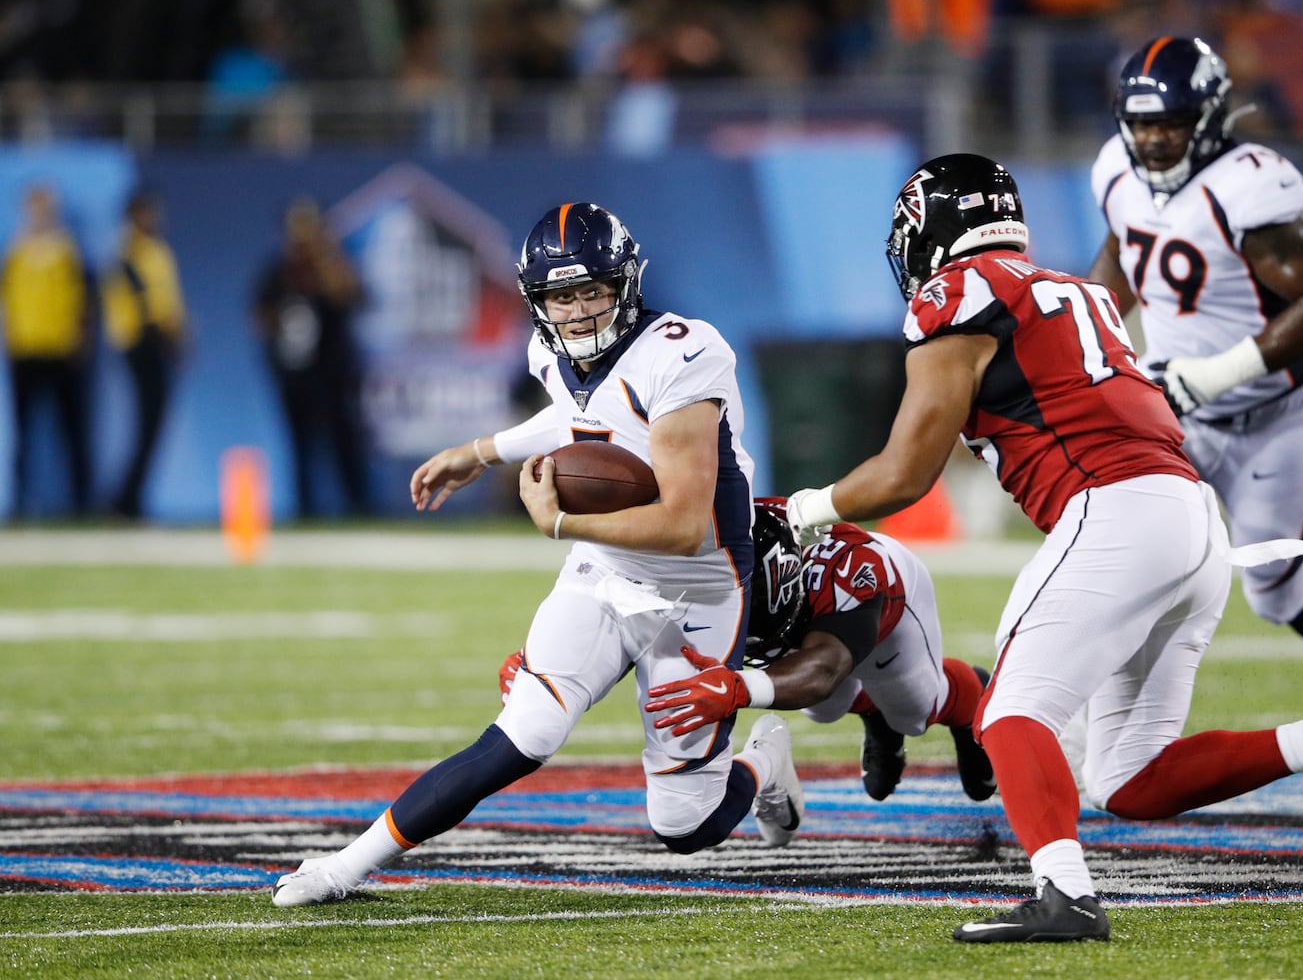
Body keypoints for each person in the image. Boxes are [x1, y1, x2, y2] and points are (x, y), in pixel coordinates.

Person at [782, 153, 1303, 942]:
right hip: (1191, 520)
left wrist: (812, 507)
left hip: (1115, 512)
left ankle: (1067, 897)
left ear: (935, 232)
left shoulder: (960, 296)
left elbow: (903, 474)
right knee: (1125, 777)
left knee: (1011, 714)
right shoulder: (1079, 292)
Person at [271, 202, 803, 907]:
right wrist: (481, 452)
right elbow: (576, 414)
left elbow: (684, 525)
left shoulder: (682, 353)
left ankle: (764, 766)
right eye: (561, 295)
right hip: (605, 570)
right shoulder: (548, 352)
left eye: (592, 290)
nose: (578, 312)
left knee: (684, 824)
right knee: (523, 733)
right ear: (537, 300)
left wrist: (558, 526)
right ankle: (344, 866)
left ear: (626, 283)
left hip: (697, 587)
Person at [1086, 36, 1303, 716]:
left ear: (1210, 116)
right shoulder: (1116, 173)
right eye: (1142, 124)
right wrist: (1093, 349)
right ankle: (1087, 724)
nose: (1155, 140)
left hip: (1277, 414)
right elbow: (1120, 253)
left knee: (1276, 589)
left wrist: (1216, 375)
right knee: (1128, 559)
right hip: (1177, 416)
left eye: (1171, 123)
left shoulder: (1248, 183)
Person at [640, 497, 994, 803]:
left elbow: (824, 669)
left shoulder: (849, 569)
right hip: (810, 624)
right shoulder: (724, 549)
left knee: (914, 714)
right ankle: (876, 714)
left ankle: (969, 696)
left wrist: (738, 689)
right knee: (822, 709)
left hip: (889, 610)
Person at [252, 197, 370, 518]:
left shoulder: (331, 265)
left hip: (332, 372)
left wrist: (324, 262)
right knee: (300, 442)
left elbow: (353, 296)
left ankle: (359, 506)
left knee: (343, 439)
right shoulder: (279, 272)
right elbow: (260, 317)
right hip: (294, 372)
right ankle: (305, 508)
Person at [1, 183, 92, 518]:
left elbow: (80, 301)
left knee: (71, 431)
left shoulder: (66, 251)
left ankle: (82, 504)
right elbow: (7, 302)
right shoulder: (16, 251)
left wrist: (80, 340)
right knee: (24, 433)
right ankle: (19, 504)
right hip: (25, 350)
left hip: (61, 348)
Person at [102, 190, 188, 519]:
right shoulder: (128, 252)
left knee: (153, 424)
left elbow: (168, 300)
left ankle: (130, 498)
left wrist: (180, 337)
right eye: (145, 213)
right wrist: (163, 335)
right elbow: (143, 305)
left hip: (159, 342)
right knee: (146, 423)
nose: (153, 219)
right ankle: (124, 499)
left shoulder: (156, 251)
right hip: (142, 343)